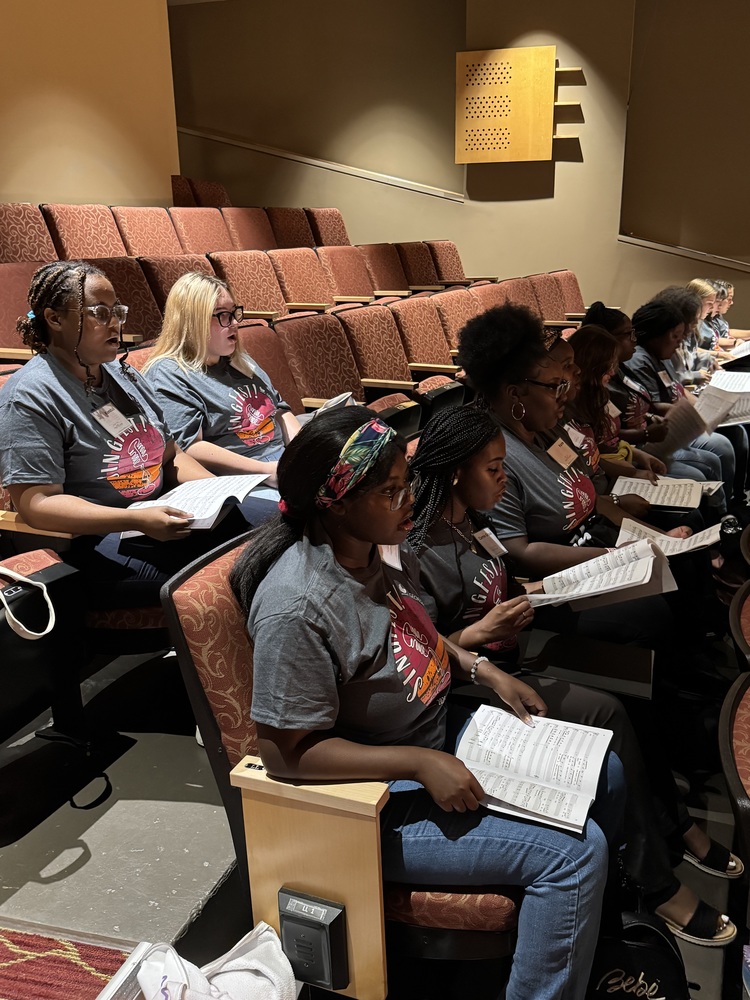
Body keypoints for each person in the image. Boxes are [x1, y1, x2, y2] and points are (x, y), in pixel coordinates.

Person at [230, 406, 627, 999]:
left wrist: (480, 666)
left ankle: (580, 948)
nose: (409, 499)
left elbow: (411, 631)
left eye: (405, 482)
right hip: (372, 802)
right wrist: (418, 764)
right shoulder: (298, 604)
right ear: (334, 502)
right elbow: (287, 754)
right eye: (390, 491)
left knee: (609, 772)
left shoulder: (375, 549)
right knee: (576, 854)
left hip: (434, 736)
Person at [407, 403, 738, 945]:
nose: (504, 477)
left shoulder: (470, 522)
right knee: (608, 708)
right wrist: (481, 634)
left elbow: (508, 585)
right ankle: (655, 882)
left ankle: (672, 824)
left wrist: (571, 583)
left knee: (633, 684)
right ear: (455, 473)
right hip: (469, 683)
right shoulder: (419, 548)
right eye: (493, 468)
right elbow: (426, 648)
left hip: (514, 650)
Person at [0, 261, 243, 608]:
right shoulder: (30, 395)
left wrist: (217, 492)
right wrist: (133, 519)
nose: (114, 323)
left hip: (160, 517)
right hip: (96, 544)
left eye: (117, 311)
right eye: (99, 312)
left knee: (267, 536)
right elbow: (37, 504)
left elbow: (171, 455)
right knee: (227, 575)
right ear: (54, 319)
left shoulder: (123, 374)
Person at [143, 272, 301, 525]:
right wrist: (267, 472)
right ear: (192, 320)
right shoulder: (169, 373)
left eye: (233, 312)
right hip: (243, 481)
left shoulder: (240, 361)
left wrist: (302, 449)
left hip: (281, 465)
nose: (234, 323)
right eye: (221, 315)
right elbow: (189, 448)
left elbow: (280, 410)